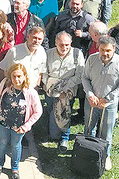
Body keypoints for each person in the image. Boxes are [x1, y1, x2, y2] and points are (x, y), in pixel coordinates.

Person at [0, 63, 42, 179]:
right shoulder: (4, 84)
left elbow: (38, 111)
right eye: (14, 76)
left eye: (19, 76)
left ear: (24, 76)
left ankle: (14, 168)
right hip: (3, 122)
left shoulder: (30, 92)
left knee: (15, 146)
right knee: (2, 143)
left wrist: (26, 126)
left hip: (19, 127)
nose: (17, 79)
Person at [82, 36, 119, 171]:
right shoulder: (92, 59)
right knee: (89, 127)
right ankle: (87, 152)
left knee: (106, 133)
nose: (105, 53)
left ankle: (105, 155)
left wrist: (108, 99)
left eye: (108, 50)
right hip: (92, 101)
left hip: (109, 104)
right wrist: (90, 95)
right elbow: (85, 77)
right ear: (98, 48)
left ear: (114, 49)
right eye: (102, 50)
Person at [43, 31, 84, 153]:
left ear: (71, 43)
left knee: (66, 113)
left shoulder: (77, 54)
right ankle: (53, 132)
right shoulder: (48, 54)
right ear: (55, 43)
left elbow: (79, 75)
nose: (64, 48)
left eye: (67, 45)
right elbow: (44, 72)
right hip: (51, 89)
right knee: (51, 110)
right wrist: (52, 86)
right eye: (61, 45)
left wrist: (64, 88)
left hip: (68, 90)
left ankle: (64, 138)